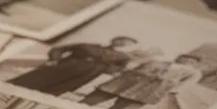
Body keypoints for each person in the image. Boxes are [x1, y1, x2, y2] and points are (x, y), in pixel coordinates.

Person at [7, 36, 139, 96]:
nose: (122, 43)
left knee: (52, 92)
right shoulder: (89, 46)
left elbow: (119, 69)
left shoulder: (123, 57)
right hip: (63, 68)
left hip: (83, 76)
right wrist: (53, 60)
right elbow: (59, 49)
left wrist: (105, 68)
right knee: (28, 82)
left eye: (126, 43)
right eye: (121, 40)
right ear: (114, 40)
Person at [82, 54, 204, 109]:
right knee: (89, 101)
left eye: (191, 61)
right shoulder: (157, 61)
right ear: (178, 58)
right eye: (184, 58)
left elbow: (184, 85)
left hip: (147, 93)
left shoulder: (192, 73)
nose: (187, 61)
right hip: (120, 85)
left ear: (194, 65)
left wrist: (167, 90)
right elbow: (132, 67)